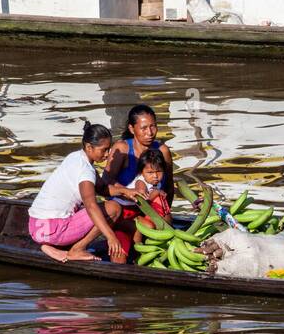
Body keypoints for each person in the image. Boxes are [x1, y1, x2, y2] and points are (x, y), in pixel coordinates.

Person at [28, 123, 126, 264]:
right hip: (52, 231)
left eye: (109, 149)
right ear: (88, 147)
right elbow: (91, 206)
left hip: (36, 228)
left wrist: (126, 191)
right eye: (104, 150)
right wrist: (111, 237)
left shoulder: (76, 157)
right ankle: (77, 249)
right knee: (114, 208)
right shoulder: (85, 170)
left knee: (94, 208)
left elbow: (103, 189)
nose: (107, 154)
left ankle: (50, 247)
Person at [100, 104, 175, 206]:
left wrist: (166, 211)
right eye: (144, 128)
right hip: (123, 206)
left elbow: (169, 185)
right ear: (131, 129)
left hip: (153, 208)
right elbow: (106, 181)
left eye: (152, 126)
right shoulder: (122, 148)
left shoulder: (163, 150)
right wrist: (127, 191)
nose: (150, 133)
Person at [114, 147, 173, 253]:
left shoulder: (154, 181)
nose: (155, 176)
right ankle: (139, 250)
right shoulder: (141, 183)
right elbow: (143, 201)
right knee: (147, 226)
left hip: (136, 212)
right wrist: (156, 192)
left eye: (159, 171)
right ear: (141, 172)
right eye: (150, 172)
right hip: (125, 212)